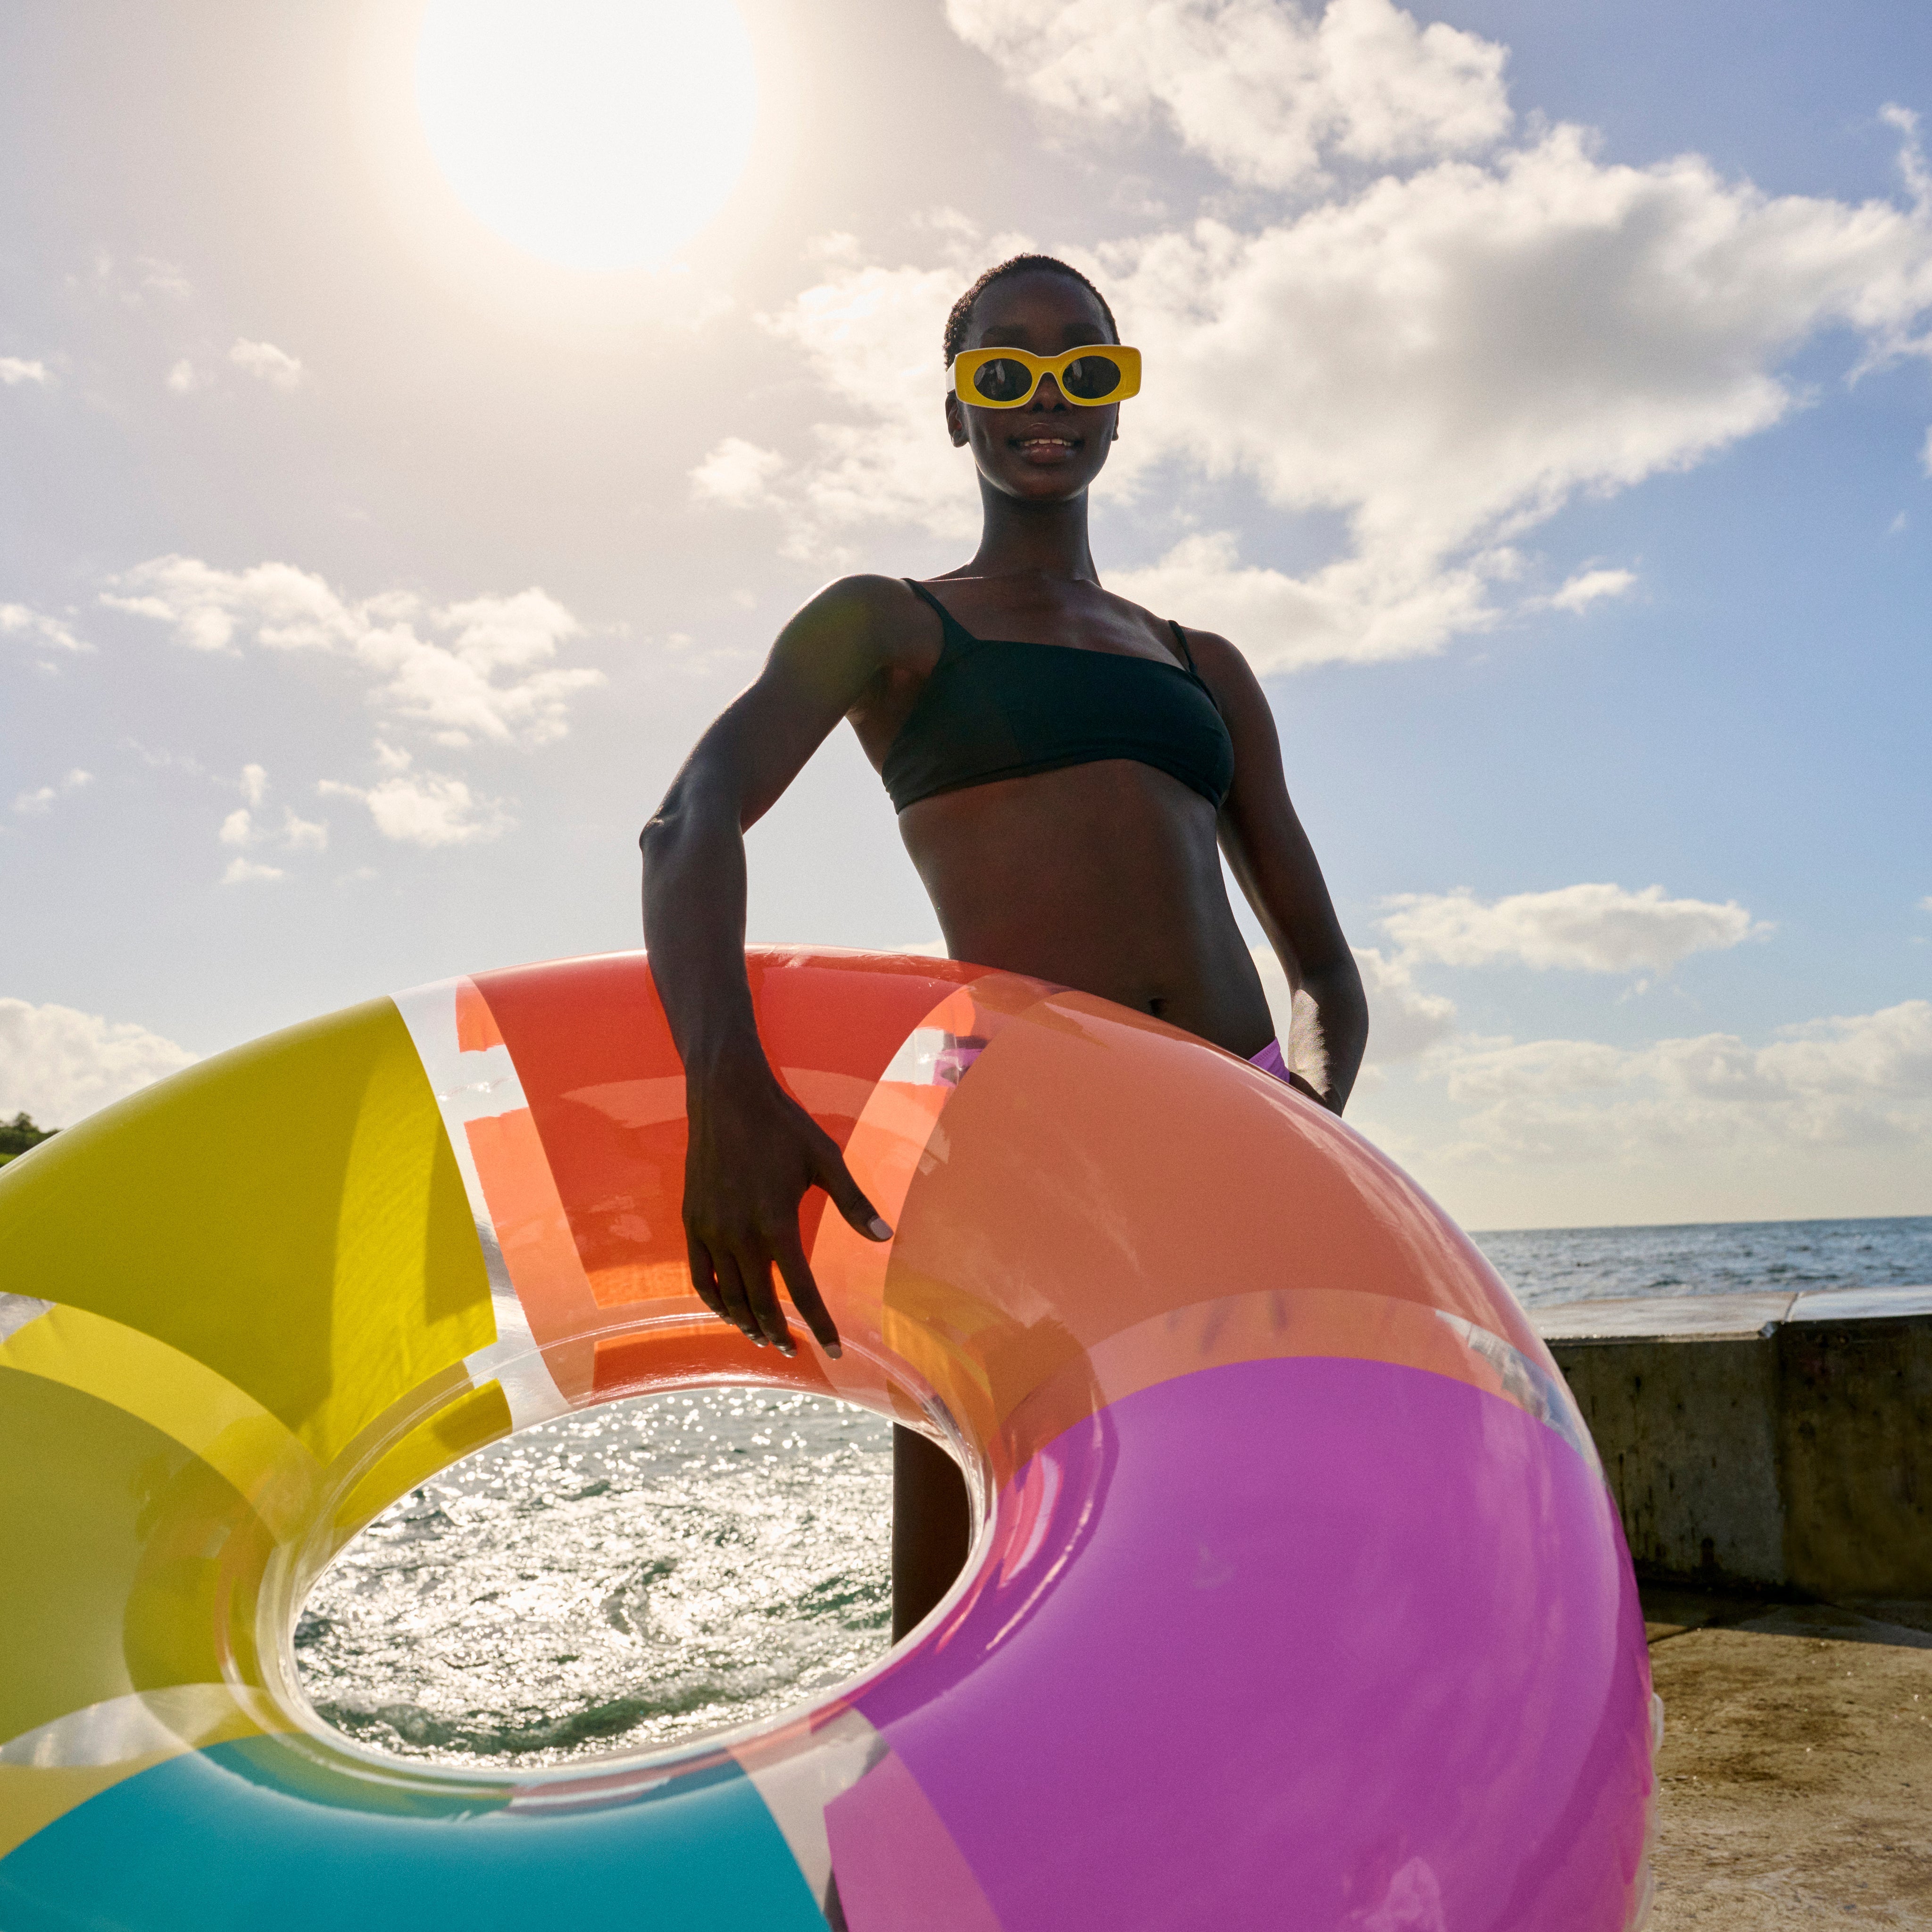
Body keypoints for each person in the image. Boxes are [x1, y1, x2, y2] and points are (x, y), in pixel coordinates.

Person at [641, 253, 1368, 1639]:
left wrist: (1309, 1119)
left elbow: (1324, 972)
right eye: (1006, 367)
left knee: (1248, 1591)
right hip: (1022, 1148)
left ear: (1120, 401)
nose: (1049, 395)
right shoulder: (889, 622)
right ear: (957, 407)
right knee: (956, 1619)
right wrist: (724, 1088)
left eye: (1086, 365)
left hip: (1236, 1133)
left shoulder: (1202, 663)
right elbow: (689, 823)